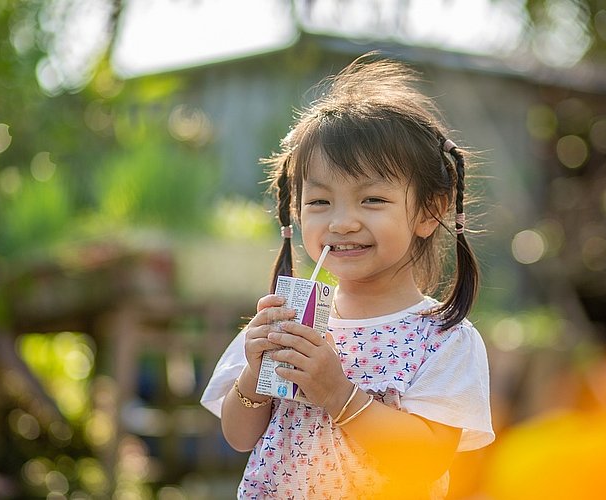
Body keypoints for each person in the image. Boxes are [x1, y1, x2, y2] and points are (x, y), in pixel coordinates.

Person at [201, 52, 494, 499]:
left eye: (372, 200)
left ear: (430, 211)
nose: (341, 222)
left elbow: (425, 460)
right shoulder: (288, 322)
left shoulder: (444, 338)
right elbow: (240, 437)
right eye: (320, 202)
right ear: (296, 211)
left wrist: (338, 393)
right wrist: (254, 376)